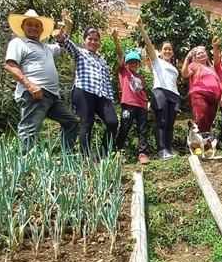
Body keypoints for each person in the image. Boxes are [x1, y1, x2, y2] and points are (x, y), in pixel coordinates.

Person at [4, 9, 78, 156]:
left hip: (52, 97)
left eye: (37, 25)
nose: (33, 28)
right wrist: (30, 86)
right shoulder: (19, 43)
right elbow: (11, 66)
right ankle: (25, 162)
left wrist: (68, 25)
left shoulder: (46, 48)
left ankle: (67, 159)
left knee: (71, 122)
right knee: (30, 128)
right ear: (23, 27)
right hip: (35, 93)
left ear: (42, 29)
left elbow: (62, 45)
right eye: (29, 24)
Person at [53, 12, 118, 160]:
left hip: (102, 95)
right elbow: (68, 46)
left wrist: (110, 100)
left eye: (96, 40)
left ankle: (104, 154)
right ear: (84, 41)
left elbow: (106, 81)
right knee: (87, 122)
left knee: (112, 122)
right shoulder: (80, 53)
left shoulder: (102, 60)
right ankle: (85, 157)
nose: (93, 42)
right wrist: (63, 33)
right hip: (84, 91)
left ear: (99, 42)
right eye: (90, 39)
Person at [136, 16, 179, 160]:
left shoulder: (173, 67)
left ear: (172, 52)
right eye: (165, 49)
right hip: (160, 91)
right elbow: (148, 44)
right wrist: (142, 28)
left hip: (174, 94)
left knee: (170, 124)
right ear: (160, 51)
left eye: (170, 50)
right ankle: (161, 150)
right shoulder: (157, 62)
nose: (167, 51)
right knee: (161, 121)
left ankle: (168, 149)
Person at [113, 31, 150, 165]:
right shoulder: (123, 72)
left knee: (142, 130)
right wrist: (116, 39)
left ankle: (142, 153)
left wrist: (147, 103)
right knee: (125, 128)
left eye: (136, 63)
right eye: (131, 62)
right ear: (126, 64)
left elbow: (142, 91)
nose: (134, 65)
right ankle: (117, 151)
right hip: (128, 105)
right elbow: (120, 54)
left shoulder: (140, 78)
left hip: (142, 106)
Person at [182, 38, 222, 136]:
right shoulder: (194, 65)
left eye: (203, 53)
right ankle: (196, 144)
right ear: (195, 57)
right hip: (199, 94)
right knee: (201, 118)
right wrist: (187, 58)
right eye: (198, 54)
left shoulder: (211, 68)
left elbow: (217, 60)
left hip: (214, 97)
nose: (201, 54)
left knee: (209, 122)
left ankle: (206, 145)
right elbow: (184, 74)